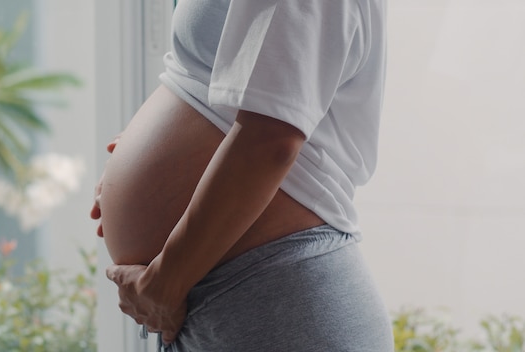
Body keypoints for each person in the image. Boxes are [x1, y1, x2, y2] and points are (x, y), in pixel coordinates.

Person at [91, 0, 394, 351]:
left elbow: (270, 141)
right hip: (241, 300)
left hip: (276, 303)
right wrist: (145, 147)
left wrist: (164, 285)